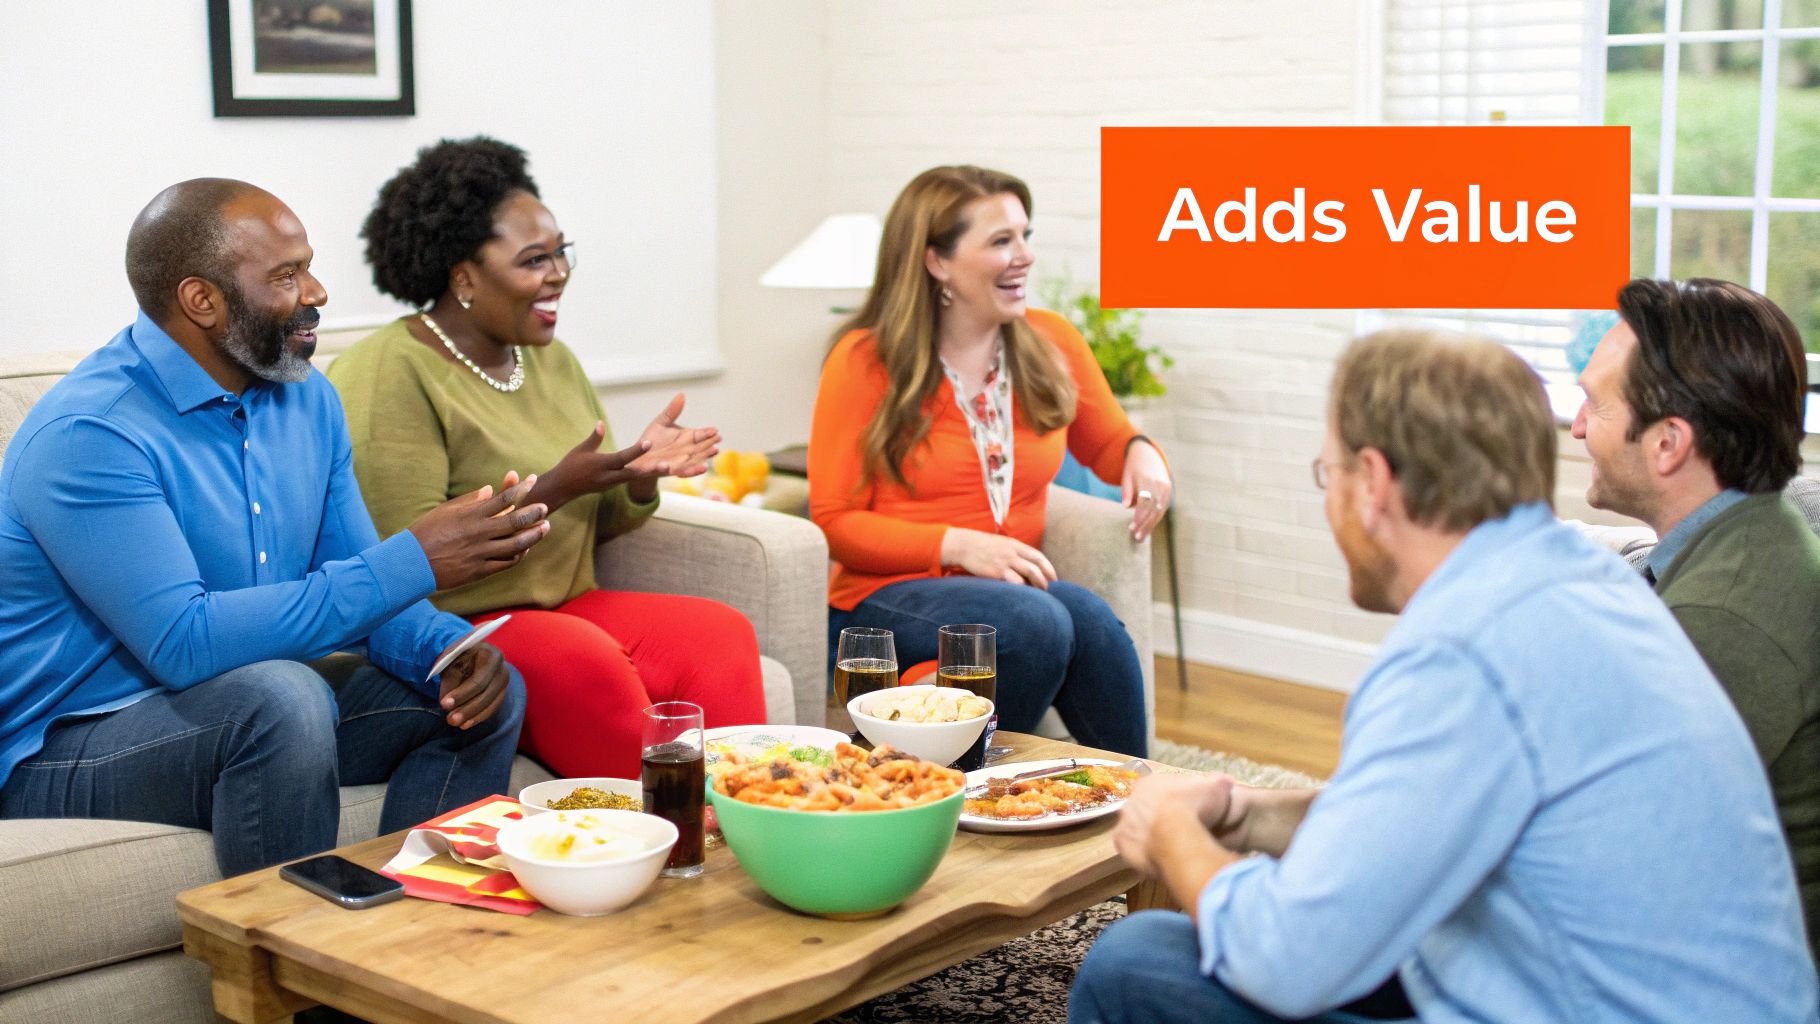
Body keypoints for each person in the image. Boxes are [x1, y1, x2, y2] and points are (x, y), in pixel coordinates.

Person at [1071, 330, 1816, 1023]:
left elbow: (1284, 958)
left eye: (1327, 474)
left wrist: (1173, 834)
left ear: (1374, 483)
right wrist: (1248, 813)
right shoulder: (1580, 584)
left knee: (1134, 965)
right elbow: (1418, 809)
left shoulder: (1459, 653)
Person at [0, 179, 537, 877]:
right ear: (202, 301)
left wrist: (447, 650)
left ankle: (412, 935)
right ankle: (302, 977)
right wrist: (417, 559)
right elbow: (185, 644)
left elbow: (351, 569)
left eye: (308, 266)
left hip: (222, 704)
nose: (315, 291)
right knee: (282, 698)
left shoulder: (308, 398)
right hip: (66, 743)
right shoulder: (92, 434)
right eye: (287, 276)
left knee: (480, 694)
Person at [329, 137, 765, 780]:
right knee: (580, 657)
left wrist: (638, 474)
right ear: (463, 276)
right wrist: (557, 487)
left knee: (719, 634)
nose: (558, 272)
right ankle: (672, 841)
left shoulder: (551, 359)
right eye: (534, 259)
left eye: (561, 251)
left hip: (566, 604)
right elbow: (402, 559)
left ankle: (758, 824)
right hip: (456, 626)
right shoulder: (388, 369)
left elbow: (604, 518)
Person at [809, 165, 1168, 757]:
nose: (1024, 256)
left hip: (1006, 596)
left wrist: (1143, 455)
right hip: (887, 597)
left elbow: (1109, 441)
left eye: (1026, 236)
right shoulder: (865, 360)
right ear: (937, 262)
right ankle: (961, 781)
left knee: (1086, 616)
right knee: (1040, 622)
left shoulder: (1049, 343)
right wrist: (958, 546)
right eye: (1001, 241)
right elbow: (836, 522)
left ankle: (1141, 802)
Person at [1571, 276, 1820, 961]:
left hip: (1708, 967)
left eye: (1594, 403)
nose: (1578, 425)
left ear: (1667, 443)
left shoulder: (1726, 614)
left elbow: (1597, 849)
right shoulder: (1755, 527)